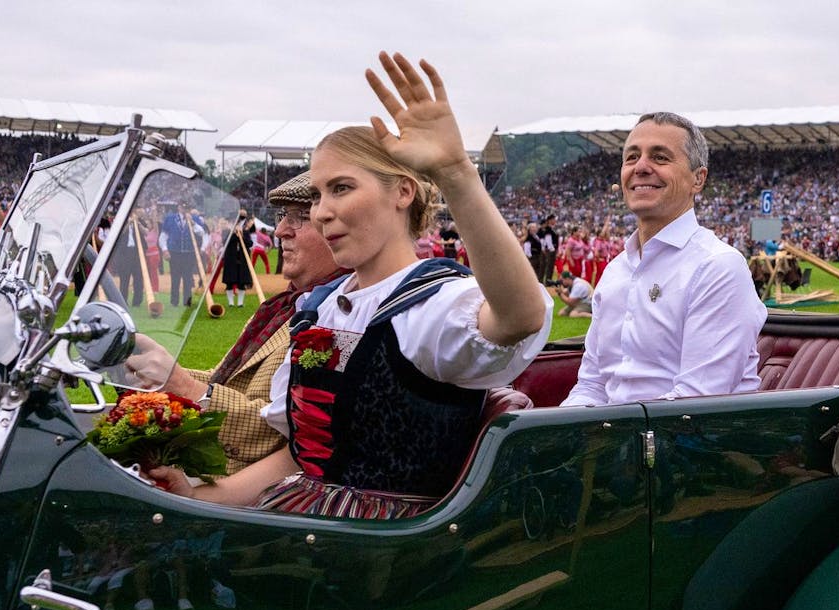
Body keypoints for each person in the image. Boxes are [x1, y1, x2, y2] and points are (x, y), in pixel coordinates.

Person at [150, 52, 551, 518]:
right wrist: (197, 496)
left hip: (385, 545)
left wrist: (456, 172)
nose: (321, 211)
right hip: (308, 513)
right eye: (319, 194)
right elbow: (299, 457)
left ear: (402, 192)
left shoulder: (435, 304)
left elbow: (519, 316)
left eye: (341, 188)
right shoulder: (320, 309)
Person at [126, 172, 348, 473]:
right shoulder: (282, 308)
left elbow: (284, 431)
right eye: (283, 216)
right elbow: (224, 381)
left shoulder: (343, 315)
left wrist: (183, 385)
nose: (281, 230)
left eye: (300, 217)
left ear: (340, 228)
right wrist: (160, 371)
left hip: (253, 498)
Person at [562, 112, 766, 407]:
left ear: (698, 179)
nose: (641, 167)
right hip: (616, 436)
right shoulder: (615, 271)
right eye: (631, 157)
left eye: (659, 158)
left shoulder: (717, 267)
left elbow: (695, 403)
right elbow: (592, 385)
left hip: (691, 445)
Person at [160, 203, 209, 307]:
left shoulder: (195, 218)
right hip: (174, 252)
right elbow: (163, 236)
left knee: (187, 278)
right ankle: (174, 302)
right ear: (179, 208)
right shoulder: (170, 218)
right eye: (183, 208)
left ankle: (187, 301)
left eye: (187, 208)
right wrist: (165, 250)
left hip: (189, 252)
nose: (185, 210)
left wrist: (192, 223)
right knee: (175, 278)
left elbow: (201, 233)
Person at [222, 209, 253, 307]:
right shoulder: (227, 230)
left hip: (242, 259)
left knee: (242, 282)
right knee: (229, 282)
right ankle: (230, 303)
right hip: (231, 259)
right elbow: (225, 242)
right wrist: (235, 235)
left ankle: (240, 303)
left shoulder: (245, 230)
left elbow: (249, 243)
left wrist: (242, 235)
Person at [537, 213, 559, 284]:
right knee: (549, 266)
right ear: (550, 220)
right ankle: (547, 282)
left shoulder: (550, 229)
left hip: (550, 249)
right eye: (553, 219)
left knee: (549, 266)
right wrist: (552, 250)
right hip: (550, 250)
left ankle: (547, 281)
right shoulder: (548, 229)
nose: (555, 221)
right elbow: (548, 240)